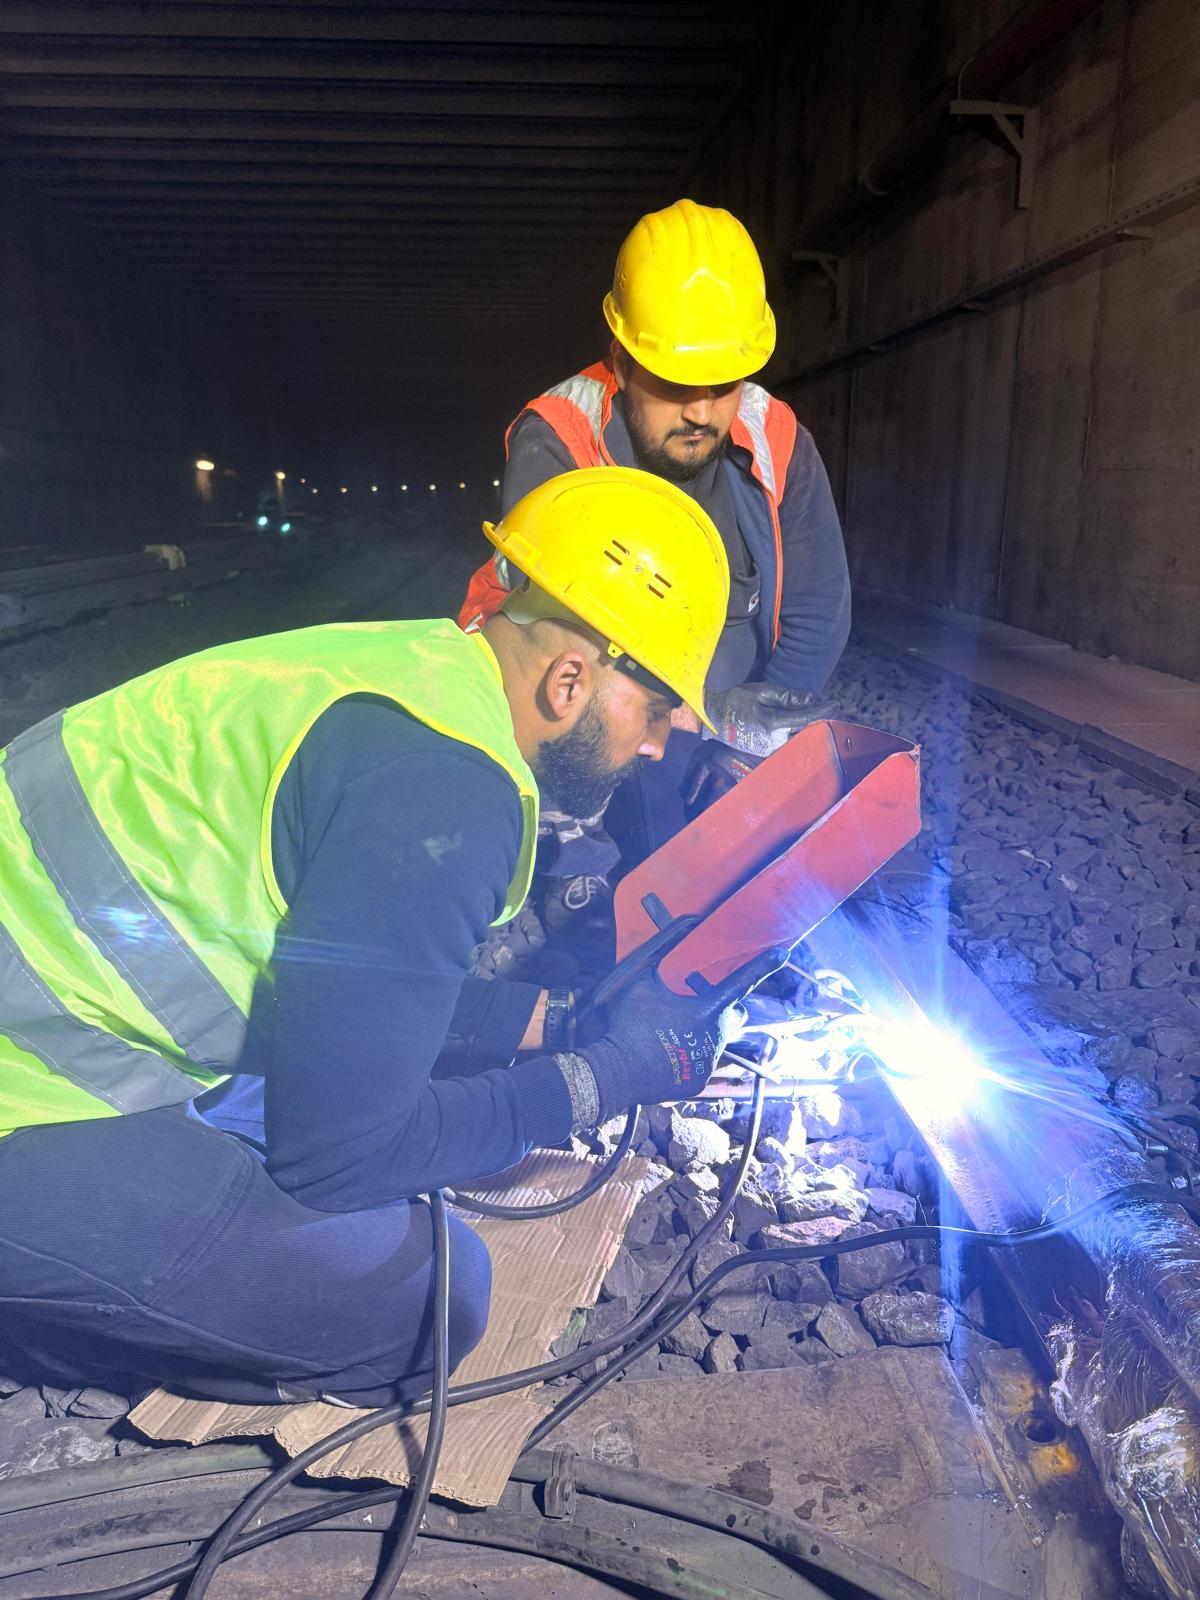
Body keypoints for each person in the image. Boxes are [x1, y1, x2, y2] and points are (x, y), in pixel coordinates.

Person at [0, 468, 773, 1410]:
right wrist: (607, 1077)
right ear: (572, 679)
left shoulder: (409, 676)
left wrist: (571, 1019)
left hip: (39, 1025)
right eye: (655, 709)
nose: (657, 744)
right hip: (21, 1104)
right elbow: (339, 1158)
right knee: (431, 1301)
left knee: (355, 1103)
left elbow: (347, 976)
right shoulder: (447, 792)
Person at [459, 199, 851, 905]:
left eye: (722, 383)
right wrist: (692, 720)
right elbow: (562, 658)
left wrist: (742, 746)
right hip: (604, 696)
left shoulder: (776, 438)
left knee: (772, 850)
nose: (701, 411)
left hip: (716, 703)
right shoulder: (562, 436)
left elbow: (819, 611)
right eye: (673, 382)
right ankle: (569, 857)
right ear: (620, 359)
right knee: (633, 836)